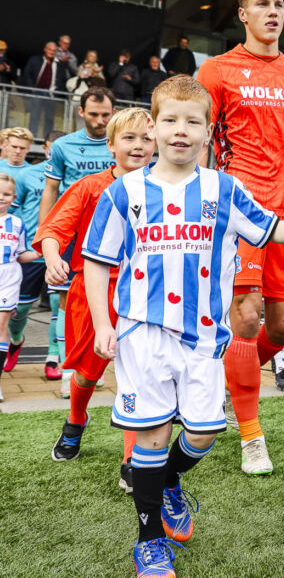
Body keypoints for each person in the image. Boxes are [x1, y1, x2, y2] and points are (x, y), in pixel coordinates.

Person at [84, 76, 284, 578]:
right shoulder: (124, 192)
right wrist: (104, 323)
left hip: (205, 337)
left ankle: (165, 482)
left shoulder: (223, 189)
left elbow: (272, 229)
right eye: (170, 120)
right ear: (152, 125)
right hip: (142, 333)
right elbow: (97, 262)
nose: (180, 131)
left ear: (210, 132)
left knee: (205, 434)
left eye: (193, 122)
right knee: (151, 435)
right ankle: (150, 541)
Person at [195, 0, 284, 475]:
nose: (273, 11)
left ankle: (224, 380)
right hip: (236, 211)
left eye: (279, 4)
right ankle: (250, 435)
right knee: (243, 318)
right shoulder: (217, 71)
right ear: (243, 14)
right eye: (262, 3)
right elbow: (198, 139)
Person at [38, 109, 154, 490]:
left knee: (136, 375)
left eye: (146, 138)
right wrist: (54, 257)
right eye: (129, 138)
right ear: (110, 145)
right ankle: (76, 419)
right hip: (94, 293)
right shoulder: (90, 187)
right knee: (89, 372)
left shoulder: (167, 189)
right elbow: (54, 229)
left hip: (145, 292)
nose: (138, 146)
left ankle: (132, 460)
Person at [39, 87, 116, 395]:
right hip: (76, 234)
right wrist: (47, 236)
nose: (100, 120)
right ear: (81, 112)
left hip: (116, 236)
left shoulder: (124, 144)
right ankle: (66, 368)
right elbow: (51, 191)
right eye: (94, 114)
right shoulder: (62, 146)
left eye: (106, 115)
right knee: (64, 303)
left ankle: (93, 366)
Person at [10, 130, 64, 379]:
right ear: (45, 149)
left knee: (57, 305)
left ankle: (53, 357)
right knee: (20, 309)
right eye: (52, 149)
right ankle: (16, 339)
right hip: (31, 251)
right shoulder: (27, 175)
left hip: (60, 251)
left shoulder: (71, 176)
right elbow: (13, 214)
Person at [0, 172, 42, 400]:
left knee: (1, 325)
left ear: (14, 197)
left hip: (8, 277)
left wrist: (42, 252)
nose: (1, 198)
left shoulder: (17, 223)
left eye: (6, 194)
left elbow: (21, 253)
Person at [20, 41, 70, 137]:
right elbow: (27, 74)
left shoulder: (60, 65)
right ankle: (32, 137)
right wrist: (32, 89)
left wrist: (57, 91)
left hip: (51, 95)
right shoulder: (35, 60)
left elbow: (64, 81)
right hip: (36, 92)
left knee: (49, 118)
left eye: (54, 50)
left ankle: (47, 139)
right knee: (34, 116)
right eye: (50, 49)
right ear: (45, 49)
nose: (52, 52)